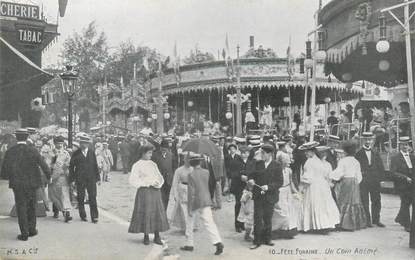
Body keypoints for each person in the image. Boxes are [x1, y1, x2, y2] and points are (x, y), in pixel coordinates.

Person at [0, 129, 51, 241]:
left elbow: (4, 171)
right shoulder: (33, 150)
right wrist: (49, 176)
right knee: (32, 206)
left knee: (21, 207)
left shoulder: (10, 151)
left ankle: (24, 233)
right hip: (32, 184)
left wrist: (11, 177)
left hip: (17, 184)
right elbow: (43, 165)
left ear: (16, 137)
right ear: (27, 137)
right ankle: (32, 230)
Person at [181, 153, 224, 255]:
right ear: (200, 162)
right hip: (206, 199)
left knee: (190, 222)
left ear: (191, 163)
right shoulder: (206, 172)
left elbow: (191, 193)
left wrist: (190, 208)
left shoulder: (191, 175)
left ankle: (189, 244)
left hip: (196, 201)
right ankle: (217, 242)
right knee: (209, 222)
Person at [128, 144, 169, 245]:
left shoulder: (152, 164)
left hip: (155, 191)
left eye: (151, 152)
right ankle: (146, 235)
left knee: (156, 212)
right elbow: (133, 180)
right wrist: (147, 183)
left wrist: (158, 183)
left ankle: (157, 235)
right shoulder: (137, 165)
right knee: (146, 211)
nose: (151, 155)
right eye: (149, 153)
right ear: (143, 153)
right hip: (144, 191)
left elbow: (159, 176)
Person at [248, 143, 283, 249]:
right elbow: (251, 174)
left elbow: (280, 182)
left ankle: (267, 239)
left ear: (270, 154)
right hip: (258, 195)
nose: (261, 155)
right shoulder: (258, 163)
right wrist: (251, 179)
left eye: (263, 153)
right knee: (257, 218)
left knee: (268, 218)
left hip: (270, 196)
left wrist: (268, 187)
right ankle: (256, 241)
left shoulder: (277, 165)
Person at [297, 142, 339, 233]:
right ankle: (324, 224)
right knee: (322, 205)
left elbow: (308, 178)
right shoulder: (319, 161)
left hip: (314, 185)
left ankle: (315, 225)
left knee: (313, 203)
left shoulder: (309, 162)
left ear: (312, 152)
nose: (305, 154)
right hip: (322, 185)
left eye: (307, 152)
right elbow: (325, 175)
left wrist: (301, 188)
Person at [330, 141, 367, 231]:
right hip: (354, 182)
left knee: (343, 201)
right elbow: (359, 176)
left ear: (345, 151)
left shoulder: (343, 161)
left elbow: (339, 173)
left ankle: (343, 224)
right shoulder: (356, 161)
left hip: (346, 181)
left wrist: (330, 175)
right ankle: (354, 223)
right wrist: (355, 182)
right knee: (354, 201)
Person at [355, 132, 385, 228]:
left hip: (375, 180)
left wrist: (381, 179)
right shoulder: (358, 153)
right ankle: (367, 221)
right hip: (364, 180)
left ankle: (376, 220)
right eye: (366, 139)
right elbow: (356, 167)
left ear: (372, 140)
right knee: (364, 200)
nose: (368, 141)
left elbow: (381, 166)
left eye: (370, 139)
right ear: (363, 140)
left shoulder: (375, 152)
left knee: (376, 200)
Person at [69, 134, 100, 223]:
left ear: (88, 144)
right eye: (82, 143)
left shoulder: (91, 152)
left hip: (91, 178)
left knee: (92, 197)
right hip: (80, 178)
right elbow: (71, 167)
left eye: (86, 143)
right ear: (80, 143)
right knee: (81, 197)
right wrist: (72, 179)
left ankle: (94, 216)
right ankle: (83, 215)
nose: (84, 145)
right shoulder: (76, 153)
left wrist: (98, 178)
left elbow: (95, 165)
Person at [271, 152, 299, 239]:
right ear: (281, 160)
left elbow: (291, 183)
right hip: (279, 191)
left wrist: (296, 192)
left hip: (287, 192)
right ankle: (274, 230)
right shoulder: (275, 170)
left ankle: (286, 230)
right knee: (279, 212)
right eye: (287, 159)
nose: (289, 161)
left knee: (288, 211)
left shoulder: (289, 170)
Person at [390, 136, 414, 232]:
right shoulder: (395, 158)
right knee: (405, 203)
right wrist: (405, 178)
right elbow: (393, 173)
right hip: (402, 184)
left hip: (412, 184)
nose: (405, 147)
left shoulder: (412, 157)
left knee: (408, 203)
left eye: (407, 145)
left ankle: (400, 218)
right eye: (403, 145)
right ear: (400, 145)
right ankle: (407, 225)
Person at [166, 151, 193, 231]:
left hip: (191, 190)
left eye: (190, 159)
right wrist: (175, 194)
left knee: (191, 209)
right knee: (183, 209)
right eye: (186, 159)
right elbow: (175, 183)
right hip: (182, 190)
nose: (188, 161)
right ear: (184, 160)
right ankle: (186, 227)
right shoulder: (179, 170)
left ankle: (191, 226)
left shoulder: (193, 169)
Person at [48, 136, 73, 222]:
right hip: (53, 177)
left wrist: (66, 168)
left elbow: (69, 163)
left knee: (64, 195)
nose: (59, 145)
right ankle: (57, 211)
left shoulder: (66, 153)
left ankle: (66, 213)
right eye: (58, 143)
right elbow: (48, 164)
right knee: (54, 195)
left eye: (61, 143)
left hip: (62, 177)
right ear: (54, 144)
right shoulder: (51, 153)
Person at [226, 143, 245, 232]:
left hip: (246, 185)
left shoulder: (246, 160)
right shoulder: (232, 160)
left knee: (244, 205)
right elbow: (230, 171)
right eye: (244, 152)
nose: (245, 154)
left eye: (247, 152)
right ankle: (237, 225)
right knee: (238, 204)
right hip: (237, 184)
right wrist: (238, 175)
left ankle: (242, 224)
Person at [153, 140, 175, 209]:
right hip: (159, 179)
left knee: (166, 197)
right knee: (160, 197)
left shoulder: (171, 155)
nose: (164, 150)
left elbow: (174, 167)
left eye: (166, 149)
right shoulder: (155, 155)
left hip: (168, 180)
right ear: (160, 148)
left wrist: (172, 176)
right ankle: (159, 212)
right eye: (163, 149)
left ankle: (164, 211)